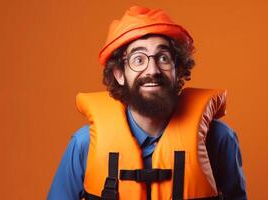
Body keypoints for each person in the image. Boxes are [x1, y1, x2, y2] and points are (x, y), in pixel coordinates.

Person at [48, 6, 246, 200]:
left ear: (177, 69)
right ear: (119, 74)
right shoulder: (84, 144)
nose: (152, 70)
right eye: (138, 59)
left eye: (163, 58)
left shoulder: (219, 139)